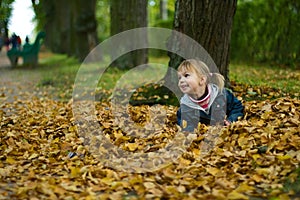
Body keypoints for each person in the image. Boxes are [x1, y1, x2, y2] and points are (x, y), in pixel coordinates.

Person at [176, 59, 244, 132]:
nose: (181, 81)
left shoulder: (221, 94)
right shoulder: (185, 108)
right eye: (179, 77)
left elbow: (237, 107)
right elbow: (186, 128)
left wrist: (231, 120)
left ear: (202, 79)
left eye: (186, 75)